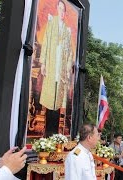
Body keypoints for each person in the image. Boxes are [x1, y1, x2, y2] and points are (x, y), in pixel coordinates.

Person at [39, 0, 74, 137]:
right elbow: (46, 42)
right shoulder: (51, 23)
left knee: (57, 101)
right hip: (52, 64)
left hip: (61, 69)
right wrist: (43, 63)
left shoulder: (67, 30)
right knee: (49, 98)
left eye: (63, 10)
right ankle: (46, 133)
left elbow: (70, 52)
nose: (61, 12)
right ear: (56, 9)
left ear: (65, 13)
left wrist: (67, 70)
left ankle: (54, 133)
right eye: (59, 8)